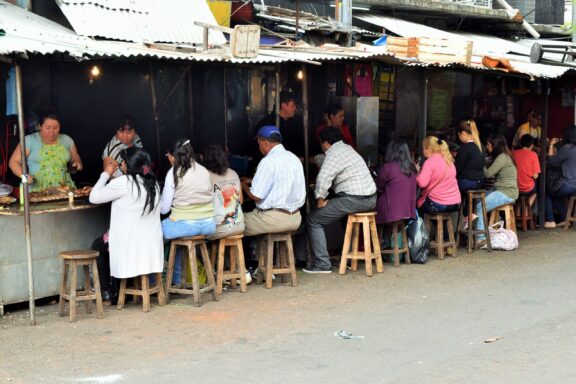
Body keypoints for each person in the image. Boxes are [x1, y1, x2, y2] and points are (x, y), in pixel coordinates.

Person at [304, 127, 377, 274]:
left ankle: (322, 264)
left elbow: (323, 178)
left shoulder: (333, 153)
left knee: (314, 220)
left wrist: (320, 199)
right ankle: (349, 257)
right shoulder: (348, 149)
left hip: (354, 200)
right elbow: (323, 161)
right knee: (343, 216)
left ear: (325, 143)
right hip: (371, 199)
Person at [88, 147, 163, 283]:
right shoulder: (153, 183)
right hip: (149, 244)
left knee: (97, 245)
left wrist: (105, 174)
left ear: (128, 165)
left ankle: (107, 293)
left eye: (123, 162)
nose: (121, 164)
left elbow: (93, 197)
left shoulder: (122, 183)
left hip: (128, 244)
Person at [160, 139, 215, 283]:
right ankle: (178, 280)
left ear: (172, 156)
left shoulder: (173, 172)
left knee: (153, 234)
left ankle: (154, 282)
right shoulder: (203, 170)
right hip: (209, 225)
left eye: (167, 155)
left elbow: (164, 208)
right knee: (177, 240)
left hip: (185, 226)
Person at [241, 125, 306, 236]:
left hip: (273, 220)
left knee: (231, 224)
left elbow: (256, 196)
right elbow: (281, 180)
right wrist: (252, 180)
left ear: (265, 143)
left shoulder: (268, 161)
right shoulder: (294, 158)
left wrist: (242, 185)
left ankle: (247, 252)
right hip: (295, 218)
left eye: (259, 144)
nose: (259, 148)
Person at [9, 110, 83, 191]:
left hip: (65, 189)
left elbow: (75, 158)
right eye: (48, 128)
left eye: (55, 128)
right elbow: (13, 162)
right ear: (40, 126)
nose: (52, 131)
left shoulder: (67, 140)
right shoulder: (29, 140)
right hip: (37, 191)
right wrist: (24, 175)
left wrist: (77, 163)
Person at [475, 134, 518, 245]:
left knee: (480, 207)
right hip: (505, 190)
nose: (487, 147)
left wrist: (480, 163)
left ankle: (480, 237)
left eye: (489, 145)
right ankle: (482, 229)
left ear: (495, 146)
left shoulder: (502, 157)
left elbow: (488, 174)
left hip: (505, 192)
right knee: (478, 200)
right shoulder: (506, 156)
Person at [202, 144, 245, 239]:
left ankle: (209, 254)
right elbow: (240, 201)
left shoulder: (205, 176)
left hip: (219, 229)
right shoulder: (233, 173)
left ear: (203, 159)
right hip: (239, 226)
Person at [375, 140, 417, 226]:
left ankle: (378, 238)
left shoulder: (387, 167)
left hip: (391, 212)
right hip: (408, 211)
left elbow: (378, 187)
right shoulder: (412, 169)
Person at [416, 136, 461, 214]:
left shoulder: (429, 162)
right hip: (455, 203)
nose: (422, 151)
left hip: (438, 204)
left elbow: (422, 184)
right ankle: (442, 226)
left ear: (428, 149)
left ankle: (422, 226)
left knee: (416, 206)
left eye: (423, 148)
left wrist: (417, 172)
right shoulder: (448, 160)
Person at [254, 90, 303, 158]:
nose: (295, 109)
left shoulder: (293, 123)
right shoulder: (268, 123)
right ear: (283, 105)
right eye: (293, 105)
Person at [544, 125, 576, 228]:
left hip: (568, 185)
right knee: (556, 195)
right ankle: (564, 219)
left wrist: (551, 145)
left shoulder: (567, 148)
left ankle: (550, 220)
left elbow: (551, 162)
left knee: (547, 192)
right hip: (574, 185)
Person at [455, 120, 485, 226]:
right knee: (465, 192)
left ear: (463, 133)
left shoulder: (464, 148)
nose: (459, 138)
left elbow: (458, 168)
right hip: (479, 182)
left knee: (451, 186)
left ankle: (465, 216)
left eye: (459, 135)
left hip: (468, 182)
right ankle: (469, 214)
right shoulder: (481, 146)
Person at [512, 134, 540, 207]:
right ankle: (527, 208)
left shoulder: (513, 153)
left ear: (520, 144)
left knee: (519, 196)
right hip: (527, 188)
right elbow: (536, 176)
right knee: (539, 189)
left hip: (514, 186)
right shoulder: (533, 154)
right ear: (532, 145)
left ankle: (518, 211)